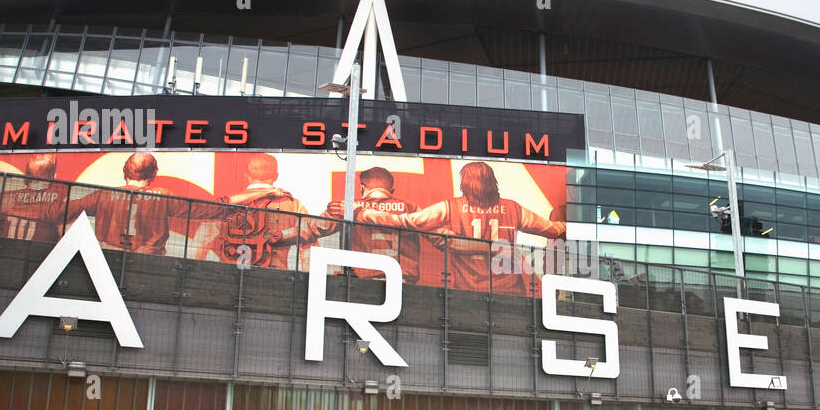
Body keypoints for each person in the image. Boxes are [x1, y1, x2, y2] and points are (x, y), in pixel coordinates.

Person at [334, 160, 565, 294]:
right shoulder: (514, 209)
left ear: (464, 184)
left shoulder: (449, 208)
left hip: (467, 291)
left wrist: (362, 212)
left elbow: (405, 222)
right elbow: (553, 230)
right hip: (511, 290)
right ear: (493, 183)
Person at [193, 153, 309, 269]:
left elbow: (200, 244)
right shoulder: (295, 206)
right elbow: (307, 249)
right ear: (276, 176)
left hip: (231, 276)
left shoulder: (227, 205)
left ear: (246, 176)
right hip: (276, 278)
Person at [313, 166, 423, 282]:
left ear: (362, 188)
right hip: (401, 281)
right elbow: (437, 234)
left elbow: (312, 228)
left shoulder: (346, 208)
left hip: (363, 281)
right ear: (391, 191)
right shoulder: (411, 208)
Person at [66, 152, 185, 255]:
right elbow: (199, 210)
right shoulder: (164, 195)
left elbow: (63, 211)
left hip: (107, 257)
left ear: (124, 172)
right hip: (148, 261)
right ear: (154, 174)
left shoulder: (104, 195)